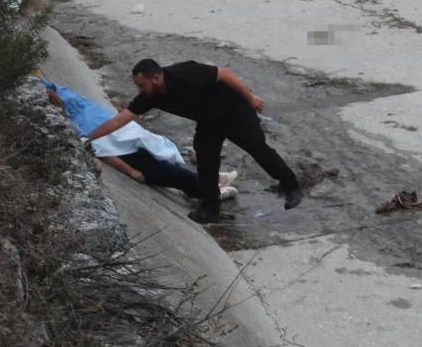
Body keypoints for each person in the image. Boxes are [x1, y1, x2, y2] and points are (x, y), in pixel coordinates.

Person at [85, 59, 303, 224]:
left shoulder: (184, 73)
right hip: (209, 122)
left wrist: (250, 98)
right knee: (206, 161)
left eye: (141, 85)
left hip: (235, 112)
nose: (140, 90)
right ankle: (211, 209)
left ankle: (291, 186)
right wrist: (88, 138)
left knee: (258, 149)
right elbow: (119, 119)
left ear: (156, 78)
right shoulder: (151, 97)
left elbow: (224, 74)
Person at [41, 79, 238, 202]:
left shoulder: (61, 95)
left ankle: (209, 181)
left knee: (165, 162)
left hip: (124, 135)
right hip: (122, 147)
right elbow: (97, 150)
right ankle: (210, 191)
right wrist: (132, 172)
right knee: (167, 172)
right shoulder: (68, 113)